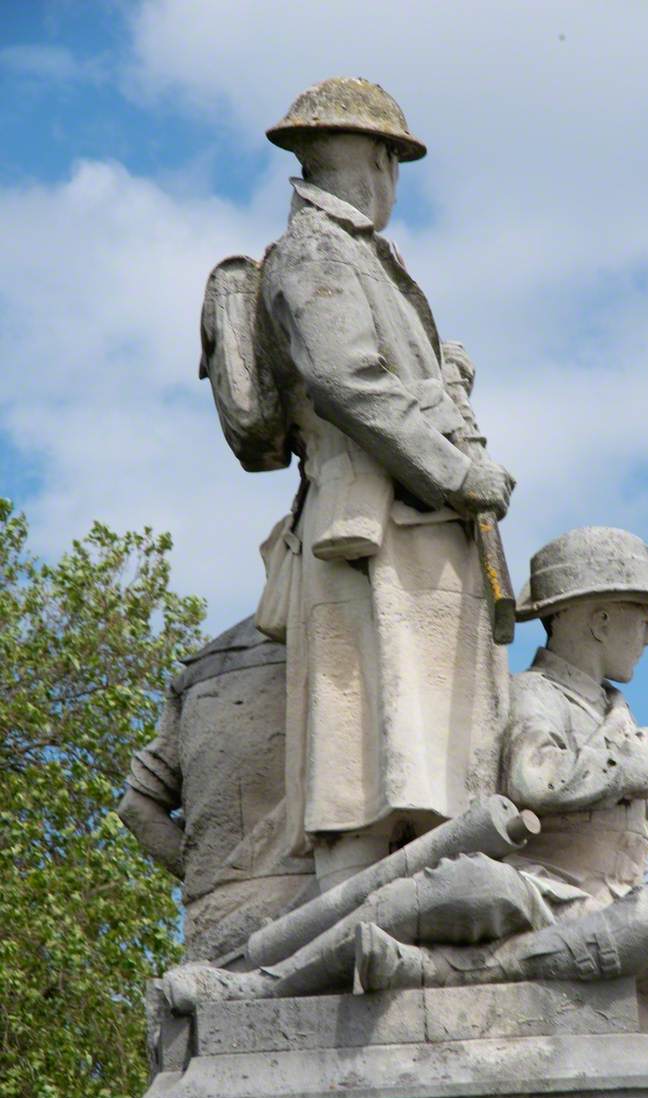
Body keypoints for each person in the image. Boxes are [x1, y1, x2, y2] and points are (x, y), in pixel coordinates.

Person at [161, 528, 648, 1012]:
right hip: (540, 897)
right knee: (471, 883)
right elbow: (532, 779)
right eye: (644, 616)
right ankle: (268, 985)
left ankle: (457, 972)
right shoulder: (534, 695)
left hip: (602, 913)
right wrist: (625, 766)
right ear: (601, 618)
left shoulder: (613, 708)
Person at [204, 77, 514, 889]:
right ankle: (350, 922)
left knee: (423, 751)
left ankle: (429, 909)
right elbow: (346, 378)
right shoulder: (316, 250)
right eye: (394, 162)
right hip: (368, 530)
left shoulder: (357, 253)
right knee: (360, 759)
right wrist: (457, 469)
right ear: (377, 158)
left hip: (412, 523)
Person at [118, 616, 312, 961]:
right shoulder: (347, 639)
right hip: (316, 905)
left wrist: (209, 874)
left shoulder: (198, 670)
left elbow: (137, 807)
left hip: (214, 917)